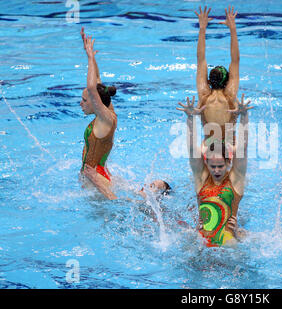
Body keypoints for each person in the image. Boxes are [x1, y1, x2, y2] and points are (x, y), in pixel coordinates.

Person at [177, 94, 253, 247]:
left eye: (220, 166)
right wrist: (190, 119)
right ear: (206, 163)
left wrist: (244, 116)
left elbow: (243, 148)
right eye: (213, 166)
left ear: (228, 162)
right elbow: (192, 149)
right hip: (201, 241)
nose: (217, 170)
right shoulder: (202, 178)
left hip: (228, 241)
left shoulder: (235, 180)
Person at [79, 28, 118, 198]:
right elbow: (97, 83)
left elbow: (92, 88)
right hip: (98, 174)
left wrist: (89, 58)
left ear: (96, 103)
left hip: (97, 182)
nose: (81, 103)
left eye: (85, 100)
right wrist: (92, 57)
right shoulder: (106, 109)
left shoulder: (105, 119)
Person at [194, 6, 240, 142]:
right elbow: (235, 60)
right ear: (227, 82)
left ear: (208, 81)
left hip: (209, 146)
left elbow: (200, 59)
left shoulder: (203, 96)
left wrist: (202, 28)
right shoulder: (230, 96)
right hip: (229, 145)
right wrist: (232, 29)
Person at [83, 164, 171, 201]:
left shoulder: (143, 202)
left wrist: (95, 179)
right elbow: (115, 182)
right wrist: (104, 167)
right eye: (150, 183)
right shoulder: (136, 193)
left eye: (152, 186)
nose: (146, 185)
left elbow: (114, 200)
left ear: (157, 197)